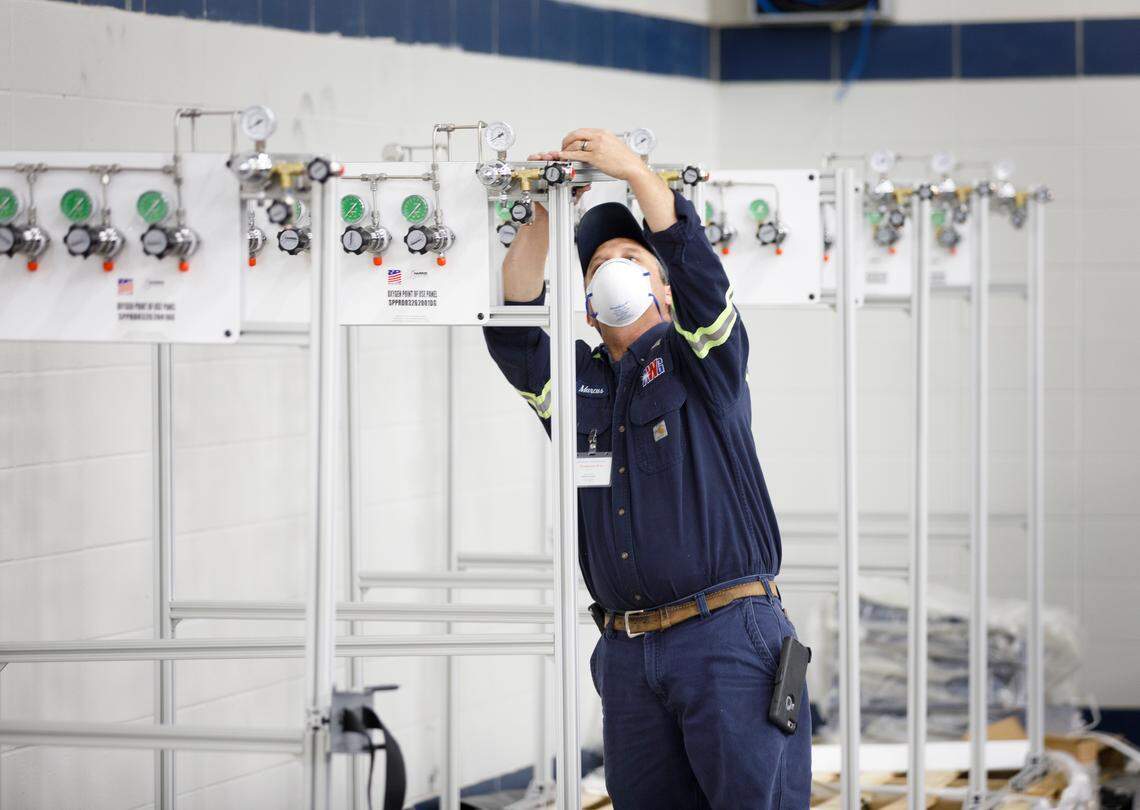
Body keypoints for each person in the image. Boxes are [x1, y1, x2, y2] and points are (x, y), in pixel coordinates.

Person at [482, 128, 811, 809]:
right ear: (587, 302)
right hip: (630, 652)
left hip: (726, 638)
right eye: (598, 262)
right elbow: (511, 330)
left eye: (631, 257)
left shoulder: (703, 364)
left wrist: (633, 172)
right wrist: (546, 216)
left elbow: (700, 279)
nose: (612, 268)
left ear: (660, 285)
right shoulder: (577, 387)